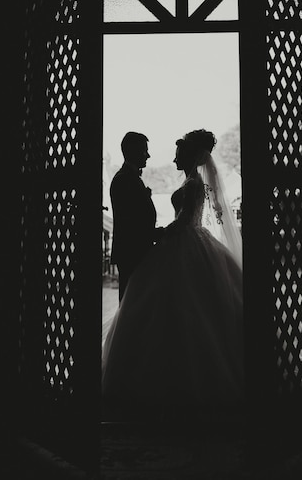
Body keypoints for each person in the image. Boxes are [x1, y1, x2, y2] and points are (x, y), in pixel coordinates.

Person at [102, 129, 244, 422]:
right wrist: (159, 233)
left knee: (176, 307)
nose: (167, 157)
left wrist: (165, 233)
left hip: (181, 240)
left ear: (189, 156)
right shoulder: (127, 180)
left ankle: (158, 372)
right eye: (145, 150)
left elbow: (185, 220)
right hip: (152, 245)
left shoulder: (192, 184)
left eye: (178, 153)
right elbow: (131, 220)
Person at [109, 131, 163, 302]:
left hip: (136, 250)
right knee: (130, 302)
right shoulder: (123, 179)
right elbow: (129, 223)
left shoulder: (130, 177)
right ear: (132, 151)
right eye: (144, 150)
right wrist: (156, 233)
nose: (148, 155)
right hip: (131, 252)